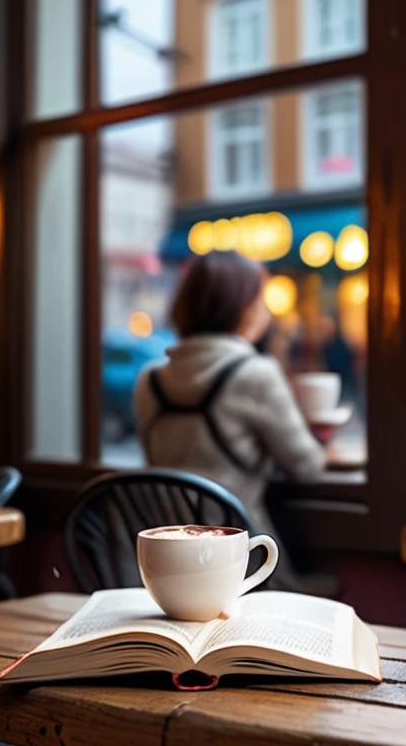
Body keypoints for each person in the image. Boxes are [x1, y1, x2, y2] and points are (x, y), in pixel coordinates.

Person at [134, 252, 329, 593]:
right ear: (246, 308)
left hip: (165, 572)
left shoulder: (149, 382)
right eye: (262, 299)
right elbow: (308, 466)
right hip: (245, 573)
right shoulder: (256, 375)